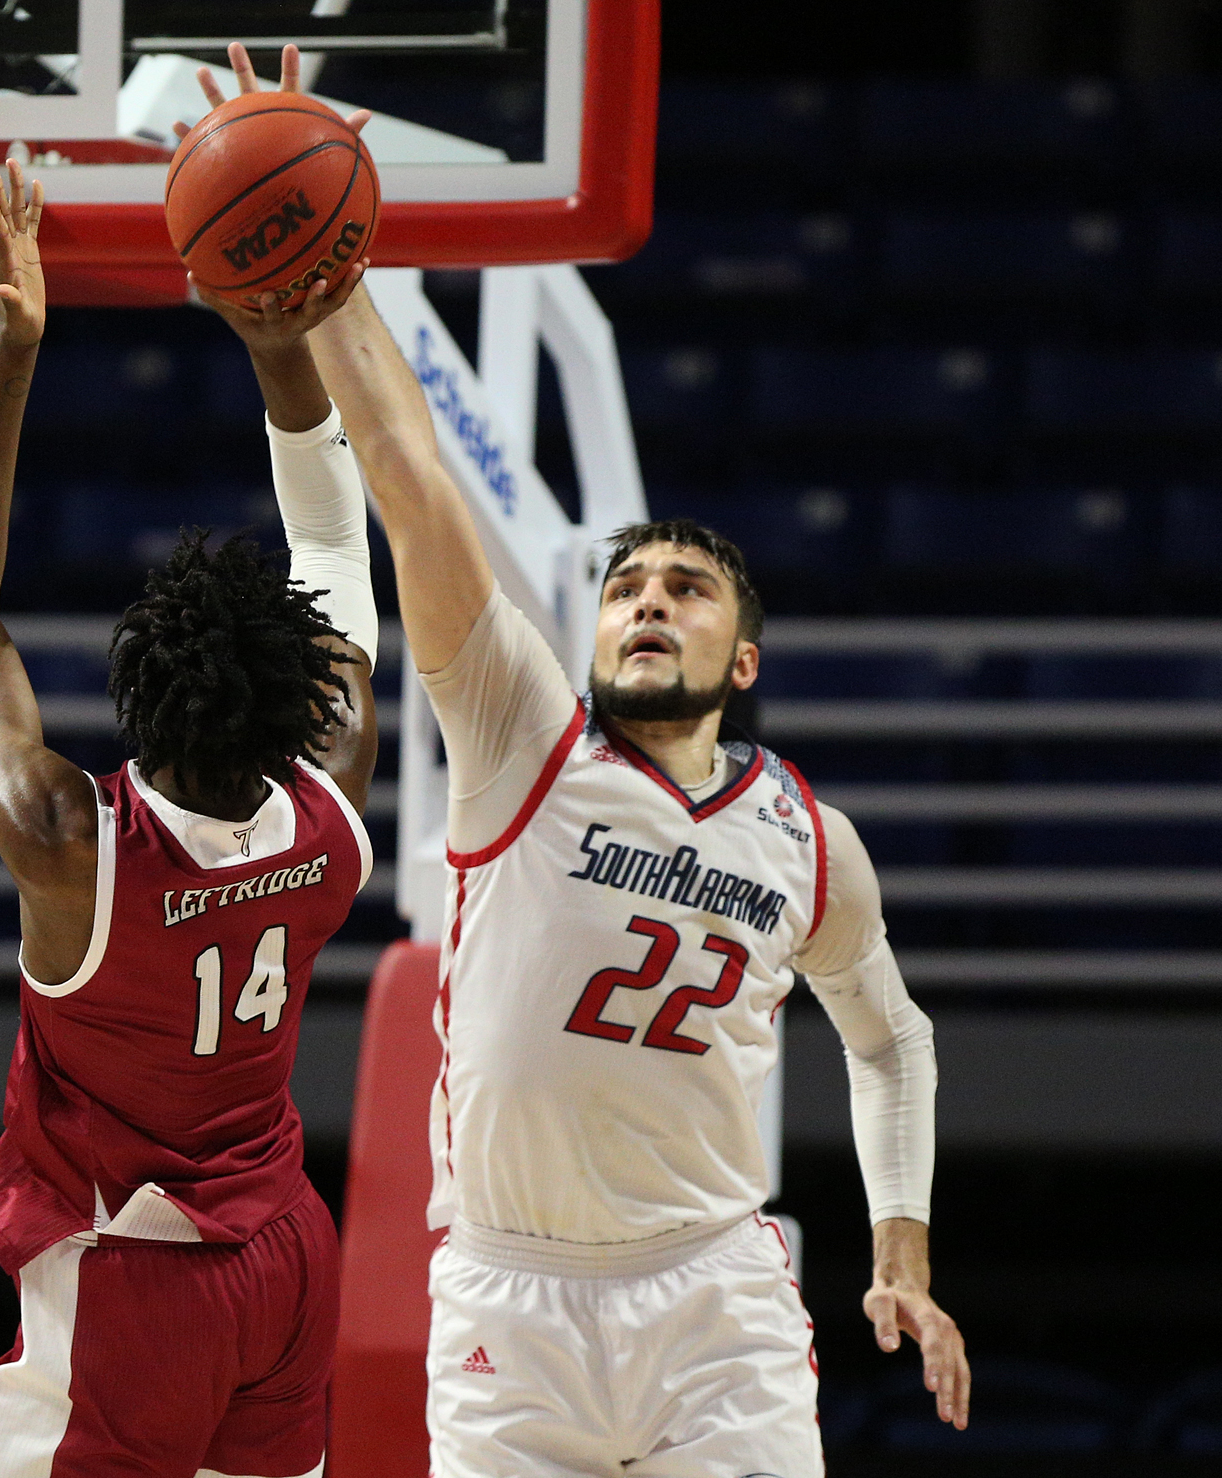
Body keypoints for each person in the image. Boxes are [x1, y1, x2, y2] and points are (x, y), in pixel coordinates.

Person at [181, 42, 969, 1477]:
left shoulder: (807, 835)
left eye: (688, 587)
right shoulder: (519, 733)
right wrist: (334, 278)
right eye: (625, 586)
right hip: (507, 1301)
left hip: (716, 1296)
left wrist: (902, 1243)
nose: (649, 598)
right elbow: (414, 487)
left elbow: (894, 1039)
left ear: (743, 661)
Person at [0, 157, 379, 1478]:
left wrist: (16, 350)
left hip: (139, 1279)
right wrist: (283, 341)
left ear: (133, 702)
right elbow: (337, 553)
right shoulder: (330, 814)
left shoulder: (74, 846)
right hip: (289, 1256)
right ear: (297, 704)